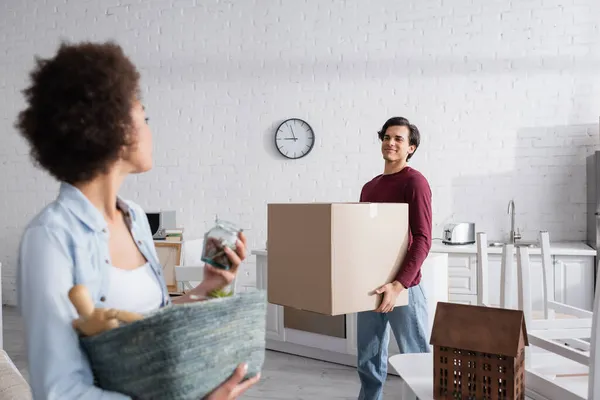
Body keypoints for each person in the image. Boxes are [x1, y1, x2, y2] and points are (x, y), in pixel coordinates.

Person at [15, 41, 259, 400]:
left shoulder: (136, 219)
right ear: (113, 126)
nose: (149, 129)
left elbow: (148, 325)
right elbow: (59, 391)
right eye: (143, 116)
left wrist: (209, 287)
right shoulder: (50, 237)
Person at [356, 117, 432, 400]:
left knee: (417, 360)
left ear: (411, 147)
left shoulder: (415, 182)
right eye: (387, 137)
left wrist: (398, 285)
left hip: (404, 288)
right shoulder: (370, 186)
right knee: (368, 357)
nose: (391, 142)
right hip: (371, 286)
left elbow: (423, 239)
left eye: (399, 139)